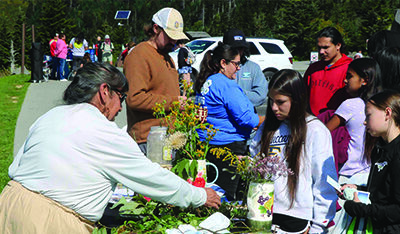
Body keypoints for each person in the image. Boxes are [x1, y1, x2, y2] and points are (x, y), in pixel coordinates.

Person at [0, 63, 220, 233]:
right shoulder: (102, 131)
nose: (121, 107)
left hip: (8, 204)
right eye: (121, 97)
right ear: (105, 91)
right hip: (49, 222)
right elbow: (151, 177)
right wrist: (199, 196)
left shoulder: (50, 116)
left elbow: (17, 165)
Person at [250, 69, 337, 233]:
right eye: (271, 101)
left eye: (280, 101)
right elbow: (254, 163)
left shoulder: (315, 130)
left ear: (296, 99)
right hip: (263, 211)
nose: (274, 107)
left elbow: (324, 181)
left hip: (297, 218)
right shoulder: (267, 127)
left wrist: (319, 226)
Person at [194, 42, 264, 200]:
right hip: (228, 148)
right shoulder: (226, 85)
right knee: (227, 198)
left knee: (212, 191)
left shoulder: (208, 82)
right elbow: (247, 119)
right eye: (236, 64)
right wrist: (269, 120)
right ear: (223, 63)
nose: (239, 68)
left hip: (209, 145)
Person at [326, 58, 382, 233]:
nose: (345, 81)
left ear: (364, 80)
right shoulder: (382, 106)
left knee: (340, 227)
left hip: (348, 179)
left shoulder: (350, 105)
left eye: (349, 76)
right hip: (371, 178)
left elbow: (323, 132)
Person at [124, 7, 188, 154]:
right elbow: (134, 98)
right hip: (148, 140)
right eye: (170, 36)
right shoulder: (139, 55)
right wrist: (175, 102)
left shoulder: (168, 58)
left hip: (169, 139)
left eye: (176, 37)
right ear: (155, 29)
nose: (174, 41)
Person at [342, 90, 400, 233]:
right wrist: (357, 190)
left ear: (387, 113)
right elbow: (381, 194)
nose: (364, 121)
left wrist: (363, 210)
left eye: (369, 115)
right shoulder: (379, 148)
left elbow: (397, 209)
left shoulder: (397, 152)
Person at [304, 26, 353, 116]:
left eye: (326, 47)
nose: (321, 52)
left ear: (338, 45)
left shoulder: (350, 68)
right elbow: (303, 96)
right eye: (319, 48)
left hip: (337, 125)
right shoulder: (313, 68)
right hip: (313, 122)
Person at [223, 28, 268, 109]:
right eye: (234, 49)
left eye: (241, 48)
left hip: (247, 116)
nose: (238, 52)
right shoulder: (216, 67)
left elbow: (261, 96)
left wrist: (235, 93)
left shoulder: (253, 68)